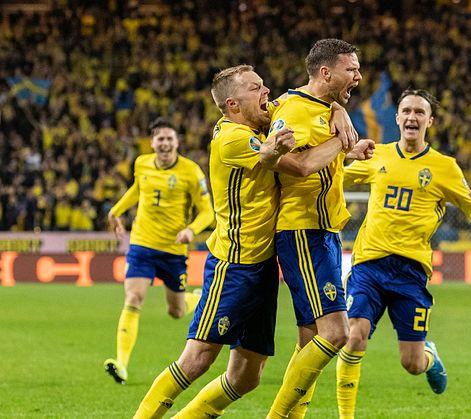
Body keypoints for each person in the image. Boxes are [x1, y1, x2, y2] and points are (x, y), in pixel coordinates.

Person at [133, 64, 371, 419]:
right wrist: (341, 142)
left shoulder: (259, 120)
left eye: (263, 85)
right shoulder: (232, 137)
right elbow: (283, 160)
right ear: (232, 104)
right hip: (234, 265)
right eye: (256, 88)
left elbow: (303, 97)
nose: (266, 92)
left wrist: (337, 108)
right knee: (197, 359)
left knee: (245, 378)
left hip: (262, 267)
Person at [336, 88, 471, 418]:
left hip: (411, 272)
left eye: (419, 112)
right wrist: (337, 155)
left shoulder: (444, 167)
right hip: (369, 263)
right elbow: (334, 178)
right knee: (354, 336)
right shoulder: (377, 156)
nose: (412, 117)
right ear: (397, 118)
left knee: (411, 364)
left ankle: (429, 356)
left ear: (430, 121)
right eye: (406, 111)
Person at [265, 38, 373, 419]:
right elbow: (295, 166)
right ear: (325, 72)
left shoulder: (325, 108)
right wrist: (340, 142)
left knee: (311, 338)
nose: (359, 75)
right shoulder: (292, 109)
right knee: (336, 334)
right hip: (302, 231)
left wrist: (346, 146)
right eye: (352, 68)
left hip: (323, 232)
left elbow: (323, 159)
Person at [104, 117, 215, 385]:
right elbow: (137, 190)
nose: (164, 143)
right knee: (133, 298)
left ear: (177, 142)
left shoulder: (191, 172)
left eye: (169, 138)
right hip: (142, 244)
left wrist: (191, 230)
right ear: (152, 142)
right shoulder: (141, 163)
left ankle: (194, 298)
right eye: (160, 138)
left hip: (173, 250)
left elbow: (207, 212)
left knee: (175, 311)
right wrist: (117, 210)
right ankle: (121, 363)